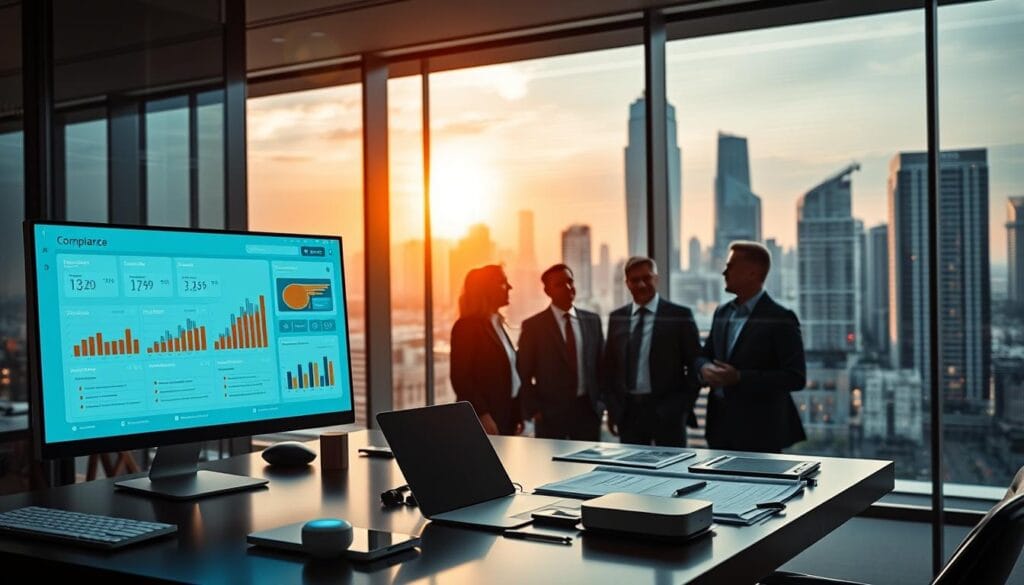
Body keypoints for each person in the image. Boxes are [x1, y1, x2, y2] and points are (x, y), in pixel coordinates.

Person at [697, 241, 806, 453]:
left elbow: (795, 377)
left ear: (752, 273)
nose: (724, 272)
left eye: (730, 266)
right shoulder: (722, 313)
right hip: (719, 428)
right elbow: (704, 355)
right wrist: (703, 368)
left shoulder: (781, 318)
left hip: (761, 433)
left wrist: (739, 378)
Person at [603, 256, 701, 446]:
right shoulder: (617, 318)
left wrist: (680, 407)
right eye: (634, 280)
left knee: (673, 472)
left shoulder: (679, 316)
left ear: (656, 279)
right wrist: (614, 410)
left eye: (646, 278)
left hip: (668, 414)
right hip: (629, 414)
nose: (640, 284)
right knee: (632, 473)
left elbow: (696, 364)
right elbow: (609, 369)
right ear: (627, 284)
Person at [517, 264, 604, 440]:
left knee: (589, 466)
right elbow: (523, 372)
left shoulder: (592, 320)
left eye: (570, 281)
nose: (568, 287)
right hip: (550, 416)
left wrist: (601, 403)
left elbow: (602, 365)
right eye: (559, 284)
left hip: (588, 413)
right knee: (552, 466)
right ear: (547, 291)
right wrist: (535, 410)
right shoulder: (533, 326)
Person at [450, 265, 523, 436]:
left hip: (506, 416)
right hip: (485, 420)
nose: (510, 287)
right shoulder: (466, 327)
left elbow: (511, 373)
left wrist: (517, 413)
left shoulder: (497, 324)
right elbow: (461, 378)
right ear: (486, 288)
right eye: (503, 282)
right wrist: (482, 415)